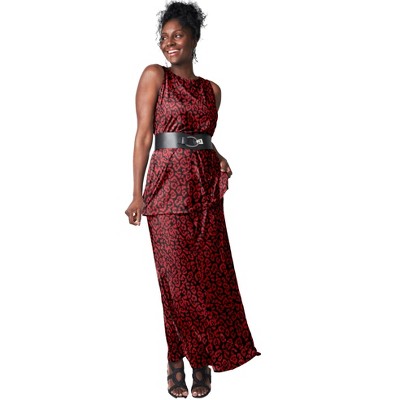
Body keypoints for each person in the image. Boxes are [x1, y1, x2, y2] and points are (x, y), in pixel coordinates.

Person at [125, 1, 260, 397]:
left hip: (204, 192)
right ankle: (179, 357)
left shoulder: (211, 90)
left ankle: (198, 360)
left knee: (209, 280)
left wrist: (217, 155)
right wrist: (136, 193)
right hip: (165, 190)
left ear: (194, 39)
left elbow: (199, 136)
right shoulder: (155, 76)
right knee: (176, 281)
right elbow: (145, 136)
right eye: (164, 37)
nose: (169, 43)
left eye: (177, 35)